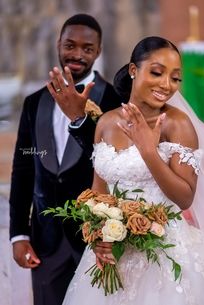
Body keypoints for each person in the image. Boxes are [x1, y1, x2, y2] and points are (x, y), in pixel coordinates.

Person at [60, 36, 204, 305]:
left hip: (167, 255)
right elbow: (98, 191)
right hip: (115, 254)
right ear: (133, 70)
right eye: (157, 72)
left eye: (175, 78)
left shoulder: (177, 125)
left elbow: (185, 197)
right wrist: (97, 235)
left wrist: (148, 151)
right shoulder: (106, 123)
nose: (167, 85)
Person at [9, 13, 122, 305]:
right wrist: (19, 234)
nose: (77, 55)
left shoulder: (114, 101)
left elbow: (117, 166)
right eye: (70, 45)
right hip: (45, 243)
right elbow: (23, 168)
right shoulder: (35, 102)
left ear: (98, 51)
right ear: (59, 44)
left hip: (96, 240)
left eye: (87, 48)